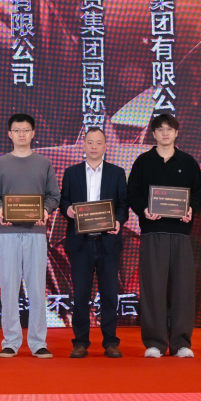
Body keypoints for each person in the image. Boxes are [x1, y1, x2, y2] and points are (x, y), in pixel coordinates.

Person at [126, 112, 201, 358]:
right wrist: (144, 209)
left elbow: (198, 193)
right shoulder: (143, 161)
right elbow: (132, 193)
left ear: (176, 132)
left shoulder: (188, 162)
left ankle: (181, 343)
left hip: (181, 234)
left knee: (183, 288)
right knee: (153, 288)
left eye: (169, 129)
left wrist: (191, 209)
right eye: (160, 129)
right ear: (153, 134)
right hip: (153, 233)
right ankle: (155, 343)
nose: (165, 133)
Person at [0, 113, 60, 358]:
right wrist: (0, 210)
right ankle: (11, 341)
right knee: (8, 287)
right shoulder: (0, 163)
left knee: (37, 289)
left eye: (26, 130)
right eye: (17, 130)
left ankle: (38, 342)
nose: (22, 134)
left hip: (36, 233)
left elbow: (54, 196)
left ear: (33, 133)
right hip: (7, 233)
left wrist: (45, 211)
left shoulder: (43, 163)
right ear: (10, 134)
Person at [59, 127, 129, 359]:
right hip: (80, 243)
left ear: (105, 146)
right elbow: (64, 201)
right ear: (84, 144)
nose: (94, 147)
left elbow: (123, 205)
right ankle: (80, 342)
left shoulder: (117, 173)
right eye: (90, 142)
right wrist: (68, 210)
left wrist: (118, 221)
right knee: (81, 295)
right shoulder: (72, 173)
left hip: (108, 242)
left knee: (109, 294)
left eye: (99, 142)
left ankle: (111, 342)